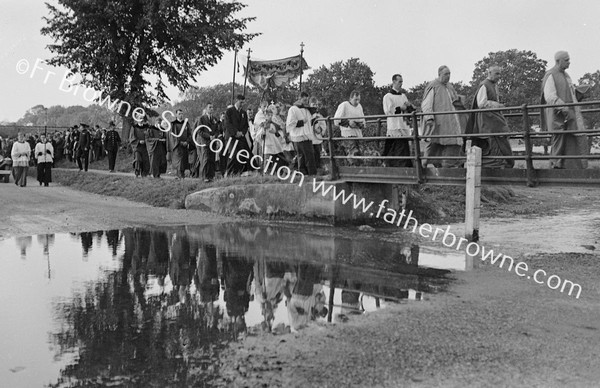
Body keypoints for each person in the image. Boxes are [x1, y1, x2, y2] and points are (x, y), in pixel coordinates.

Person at [541, 51, 588, 169]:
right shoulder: (550, 75)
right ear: (558, 61)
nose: (569, 62)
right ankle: (555, 169)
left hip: (569, 115)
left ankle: (571, 168)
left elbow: (569, 94)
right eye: (566, 60)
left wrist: (579, 93)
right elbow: (550, 97)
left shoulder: (566, 76)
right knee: (558, 143)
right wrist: (564, 108)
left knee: (569, 141)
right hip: (559, 116)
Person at [467, 66, 514, 168]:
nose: (499, 76)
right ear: (489, 73)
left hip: (493, 119)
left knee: (500, 139)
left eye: (499, 74)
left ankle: (503, 163)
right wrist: (497, 105)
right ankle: (496, 165)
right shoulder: (484, 85)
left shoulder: (493, 86)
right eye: (497, 74)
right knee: (493, 141)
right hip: (487, 120)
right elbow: (481, 103)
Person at [421, 66, 467, 168]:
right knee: (435, 143)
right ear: (439, 74)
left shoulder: (449, 86)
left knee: (452, 143)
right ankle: (426, 166)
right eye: (446, 74)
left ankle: (449, 165)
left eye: (449, 74)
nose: (448, 76)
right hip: (439, 122)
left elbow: (453, 99)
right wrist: (429, 118)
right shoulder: (433, 86)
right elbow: (426, 104)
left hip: (451, 121)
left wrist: (459, 99)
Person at [382, 74, 414, 167]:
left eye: (402, 82)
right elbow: (388, 111)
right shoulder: (388, 96)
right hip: (394, 126)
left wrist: (410, 106)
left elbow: (408, 110)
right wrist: (400, 108)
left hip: (403, 125)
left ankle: (405, 168)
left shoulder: (403, 96)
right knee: (394, 148)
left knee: (404, 149)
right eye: (399, 82)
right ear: (394, 82)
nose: (401, 84)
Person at [286, 92, 317, 175]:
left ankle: (306, 174)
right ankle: (309, 174)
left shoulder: (307, 109)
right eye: (304, 99)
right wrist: (301, 122)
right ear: (299, 99)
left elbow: (311, 121)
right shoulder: (293, 109)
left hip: (307, 135)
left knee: (307, 156)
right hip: (299, 136)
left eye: (307, 100)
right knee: (305, 156)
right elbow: (290, 123)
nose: (305, 101)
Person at [334, 90, 366, 166]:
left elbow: (363, 120)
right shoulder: (344, 105)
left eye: (359, 100)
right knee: (352, 154)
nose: (357, 102)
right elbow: (336, 120)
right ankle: (352, 169)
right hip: (348, 134)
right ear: (351, 98)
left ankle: (359, 170)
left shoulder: (359, 106)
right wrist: (348, 123)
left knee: (360, 154)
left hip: (358, 134)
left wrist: (361, 124)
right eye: (355, 99)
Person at [225, 94, 251, 176]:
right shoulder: (229, 111)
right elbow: (228, 124)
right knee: (233, 154)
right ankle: (228, 172)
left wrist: (242, 133)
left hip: (240, 137)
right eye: (240, 102)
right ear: (236, 101)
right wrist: (235, 132)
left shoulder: (244, 113)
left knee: (241, 154)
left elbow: (246, 125)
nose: (242, 104)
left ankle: (238, 172)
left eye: (243, 103)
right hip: (232, 137)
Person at [194, 103, 219, 182]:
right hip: (205, 142)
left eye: (212, 107)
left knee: (212, 159)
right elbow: (199, 130)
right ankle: (204, 176)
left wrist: (215, 136)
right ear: (206, 108)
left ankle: (211, 176)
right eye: (210, 107)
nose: (211, 109)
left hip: (213, 142)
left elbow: (217, 130)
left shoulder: (214, 119)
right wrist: (208, 136)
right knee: (205, 159)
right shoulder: (201, 118)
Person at [256, 106, 286, 170]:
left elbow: (281, 134)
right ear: (265, 116)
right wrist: (262, 135)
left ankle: (279, 173)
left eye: (271, 115)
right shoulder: (263, 125)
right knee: (267, 164)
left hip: (276, 147)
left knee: (278, 164)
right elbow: (258, 136)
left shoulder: (275, 125)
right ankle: (267, 174)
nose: (270, 116)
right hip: (268, 147)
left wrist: (276, 132)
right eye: (268, 115)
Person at [167, 109, 192, 179]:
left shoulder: (186, 123)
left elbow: (190, 134)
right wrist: (180, 142)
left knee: (184, 160)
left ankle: (181, 175)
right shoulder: (173, 124)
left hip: (185, 145)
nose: (181, 115)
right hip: (177, 145)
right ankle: (179, 175)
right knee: (179, 161)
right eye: (179, 114)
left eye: (182, 114)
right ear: (176, 115)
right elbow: (172, 135)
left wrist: (187, 141)